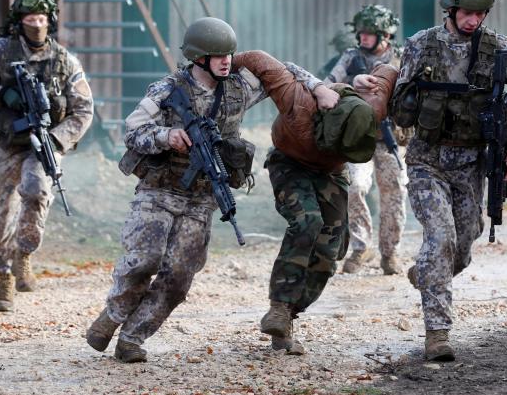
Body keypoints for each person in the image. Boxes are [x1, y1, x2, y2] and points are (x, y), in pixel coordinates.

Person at [85, 18, 338, 362]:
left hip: (202, 198)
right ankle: (112, 317)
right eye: (218, 55)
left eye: (229, 55)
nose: (226, 61)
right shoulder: (168, 89)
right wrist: (165, 137)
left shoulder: (238, 88)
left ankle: (133, 337)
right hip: (159, 192)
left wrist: (319, 87)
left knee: (179, 276)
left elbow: (284, 71)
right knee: (143, 260)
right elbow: (131, 130)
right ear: (198, 58)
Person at [381, 0, 507, 361]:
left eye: (481, 13)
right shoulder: (420, 46)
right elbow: (396, 100)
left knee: (462, 246)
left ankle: (427, 273)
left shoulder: (501, 51)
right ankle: (438, 335)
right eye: (467, 12)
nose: (473, 20)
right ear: (451, 7)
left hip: (472, 166)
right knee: (440, 239)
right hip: (427, 162)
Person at [253, 52, 399, 354]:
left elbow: (390, 70)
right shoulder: (300, 103)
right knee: (308, 222)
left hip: (330, 173)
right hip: (290, 163)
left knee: (332, 247)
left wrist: (359, 81)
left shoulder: (372, 110)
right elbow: (258, 59)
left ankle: (287, 318)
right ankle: (279, 307)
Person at [0, 0, 93, 312]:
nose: (36, 25)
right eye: (29, 19)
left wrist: (56, 139)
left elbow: (83, 109)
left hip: (44, 141)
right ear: (18, 22)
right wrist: (2, 94)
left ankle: (24, 254)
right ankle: (4, 276)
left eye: (41, 19)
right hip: (7, 144)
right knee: (2, 209)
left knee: (37, 192)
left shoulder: (64, 60)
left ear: (50, 21)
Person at [327, 5, 410, 275]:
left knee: (394, 194)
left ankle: (390, 252)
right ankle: (361, 248)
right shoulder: (351, 57)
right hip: (359, 137)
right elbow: (327, 84)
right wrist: (353, 84)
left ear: (385, 35)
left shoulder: (402, 57)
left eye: (369, 33)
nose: (363, 38)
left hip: (391, 138)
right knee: (354, 186)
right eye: (360, 32)